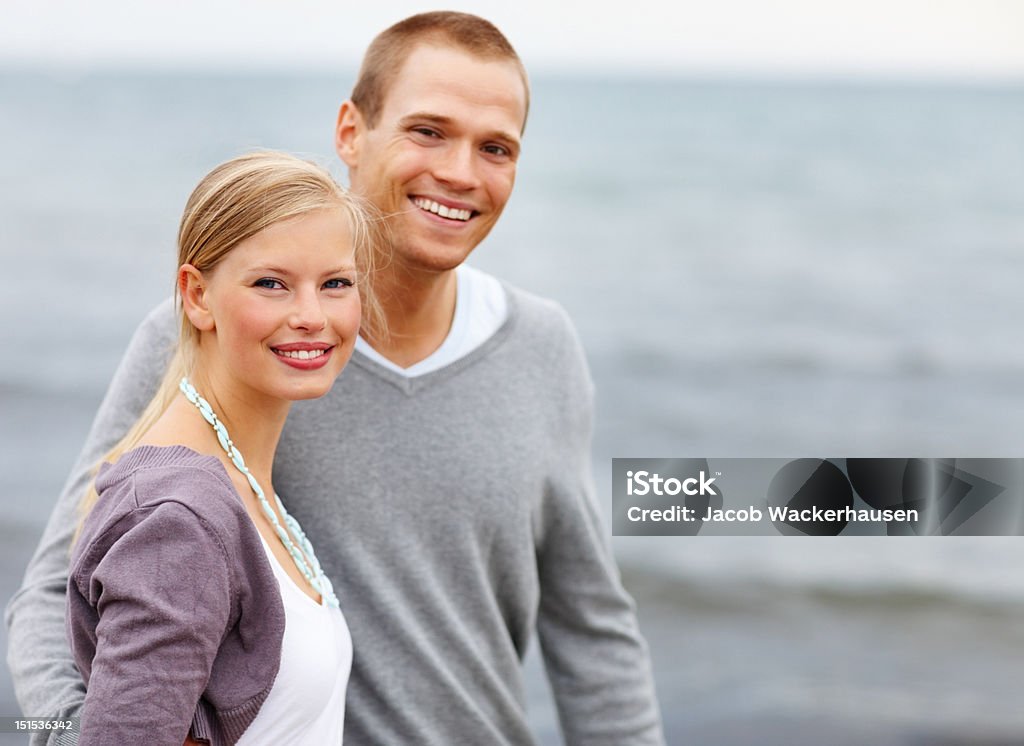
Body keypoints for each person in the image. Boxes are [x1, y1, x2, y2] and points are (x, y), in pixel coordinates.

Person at [6, 11, 665, 746]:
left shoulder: (544, 346)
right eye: (428, 131)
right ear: (351, 131)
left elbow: (593, 632)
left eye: (495, 147)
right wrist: (72, 734)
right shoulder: (210, 340)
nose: (459, 171)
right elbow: (54, 594)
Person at [65, 151, 382, 744]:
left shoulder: (236, 476)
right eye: (272, 284)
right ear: (197, 295)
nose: (313, 315)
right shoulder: (178, 521)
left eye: (335, 283)